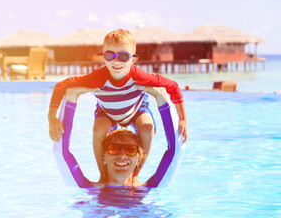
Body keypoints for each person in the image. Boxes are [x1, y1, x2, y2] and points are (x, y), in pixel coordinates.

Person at [49, 29, 187, 183]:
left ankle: (135, 174)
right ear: (103, 57)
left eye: (123, 56)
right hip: (107, 111)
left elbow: (173, 86)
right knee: (98, 129)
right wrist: (51, 117)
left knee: (147, 129)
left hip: (137, 110)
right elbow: (62, 86)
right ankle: (103, 175)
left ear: (133, 59)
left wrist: (183, 119)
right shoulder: (97, 78)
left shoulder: (139, 76)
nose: (116, 61)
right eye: (110, 56)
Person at [53, 86, 186, 188]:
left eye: (131, 150)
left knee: (146, 129)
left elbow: (177, 150)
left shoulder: (151, 189)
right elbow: (60, 152)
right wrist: (71, 96)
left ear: (139, 158)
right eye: (114, 149)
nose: (122, 155)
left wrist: (162, 97)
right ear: (103, 156)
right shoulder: (87, 189)